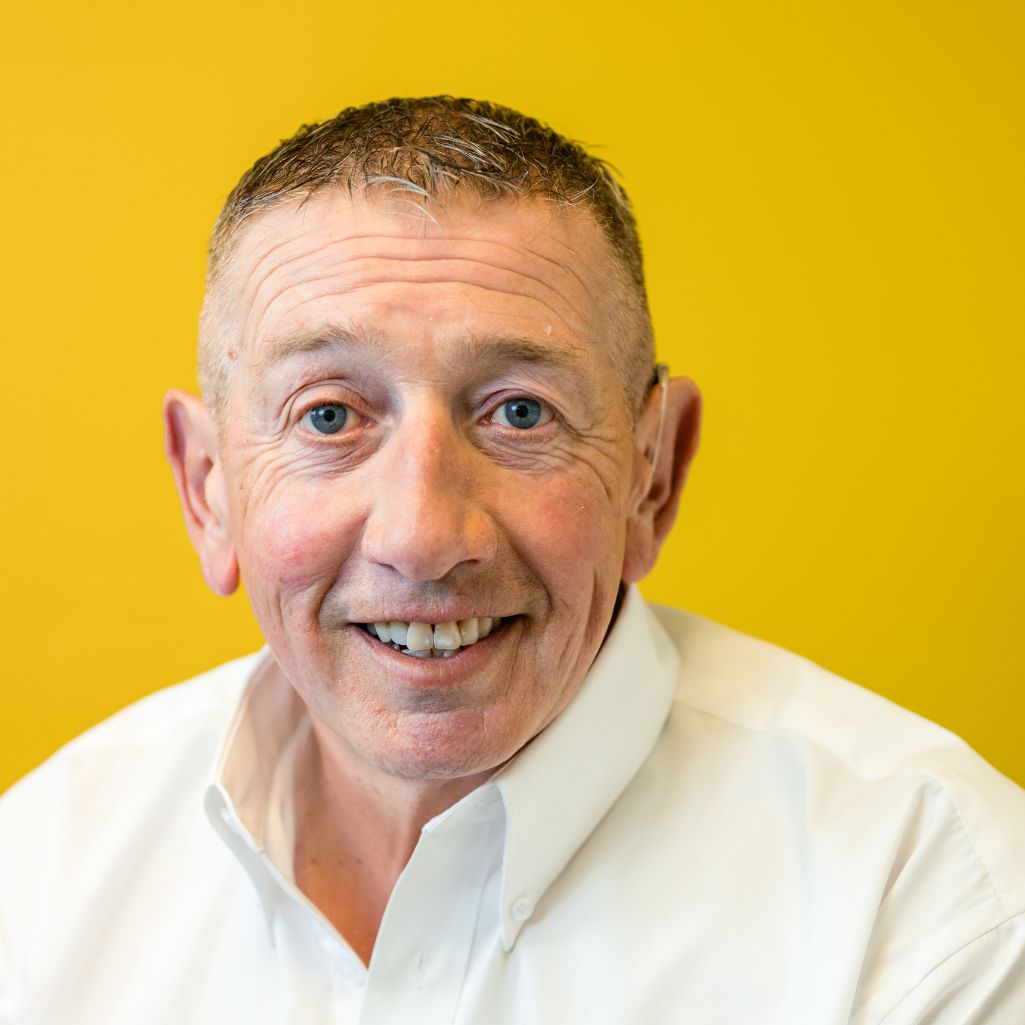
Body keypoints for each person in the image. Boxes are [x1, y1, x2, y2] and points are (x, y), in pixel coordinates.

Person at [1, 96, 1023, 1025]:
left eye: (518, 412)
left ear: (650, 473)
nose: (420, 534)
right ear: (208, 486)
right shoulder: (39, 880)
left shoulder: (940, 900)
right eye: (328, 415)